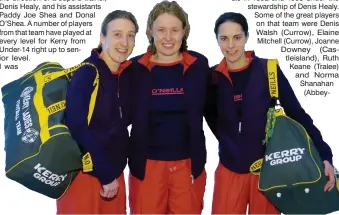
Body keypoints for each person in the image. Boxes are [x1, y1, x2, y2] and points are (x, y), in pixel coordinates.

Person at [204, 12, 336, 214]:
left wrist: (325, 155)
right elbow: (212, 119)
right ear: (217, 40)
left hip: (269, 172)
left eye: (237, 37)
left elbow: (297, 115)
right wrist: (233, 143)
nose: (230, 45)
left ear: (247, 37)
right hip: (229, 170)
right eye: (224, 38)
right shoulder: (211, 78)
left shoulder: (268, 70)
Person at [128, 1, 208, 214]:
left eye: (175, 30)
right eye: (161, 30)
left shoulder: (199, 65)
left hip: (188, 166)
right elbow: (115, 114)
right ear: (150, 31)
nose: (168, 37)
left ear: (185, 31)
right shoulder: (134, 68)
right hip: (146, 167)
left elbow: (216, 110)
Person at [56, 10, 138, 214]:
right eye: (117, 34)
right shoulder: (87, 72)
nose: (124, 42)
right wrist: (105, 174)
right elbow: (77, 127)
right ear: (102, 38)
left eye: (130, 35)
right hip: (84, 176)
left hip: (113, 175)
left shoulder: (124, 75)